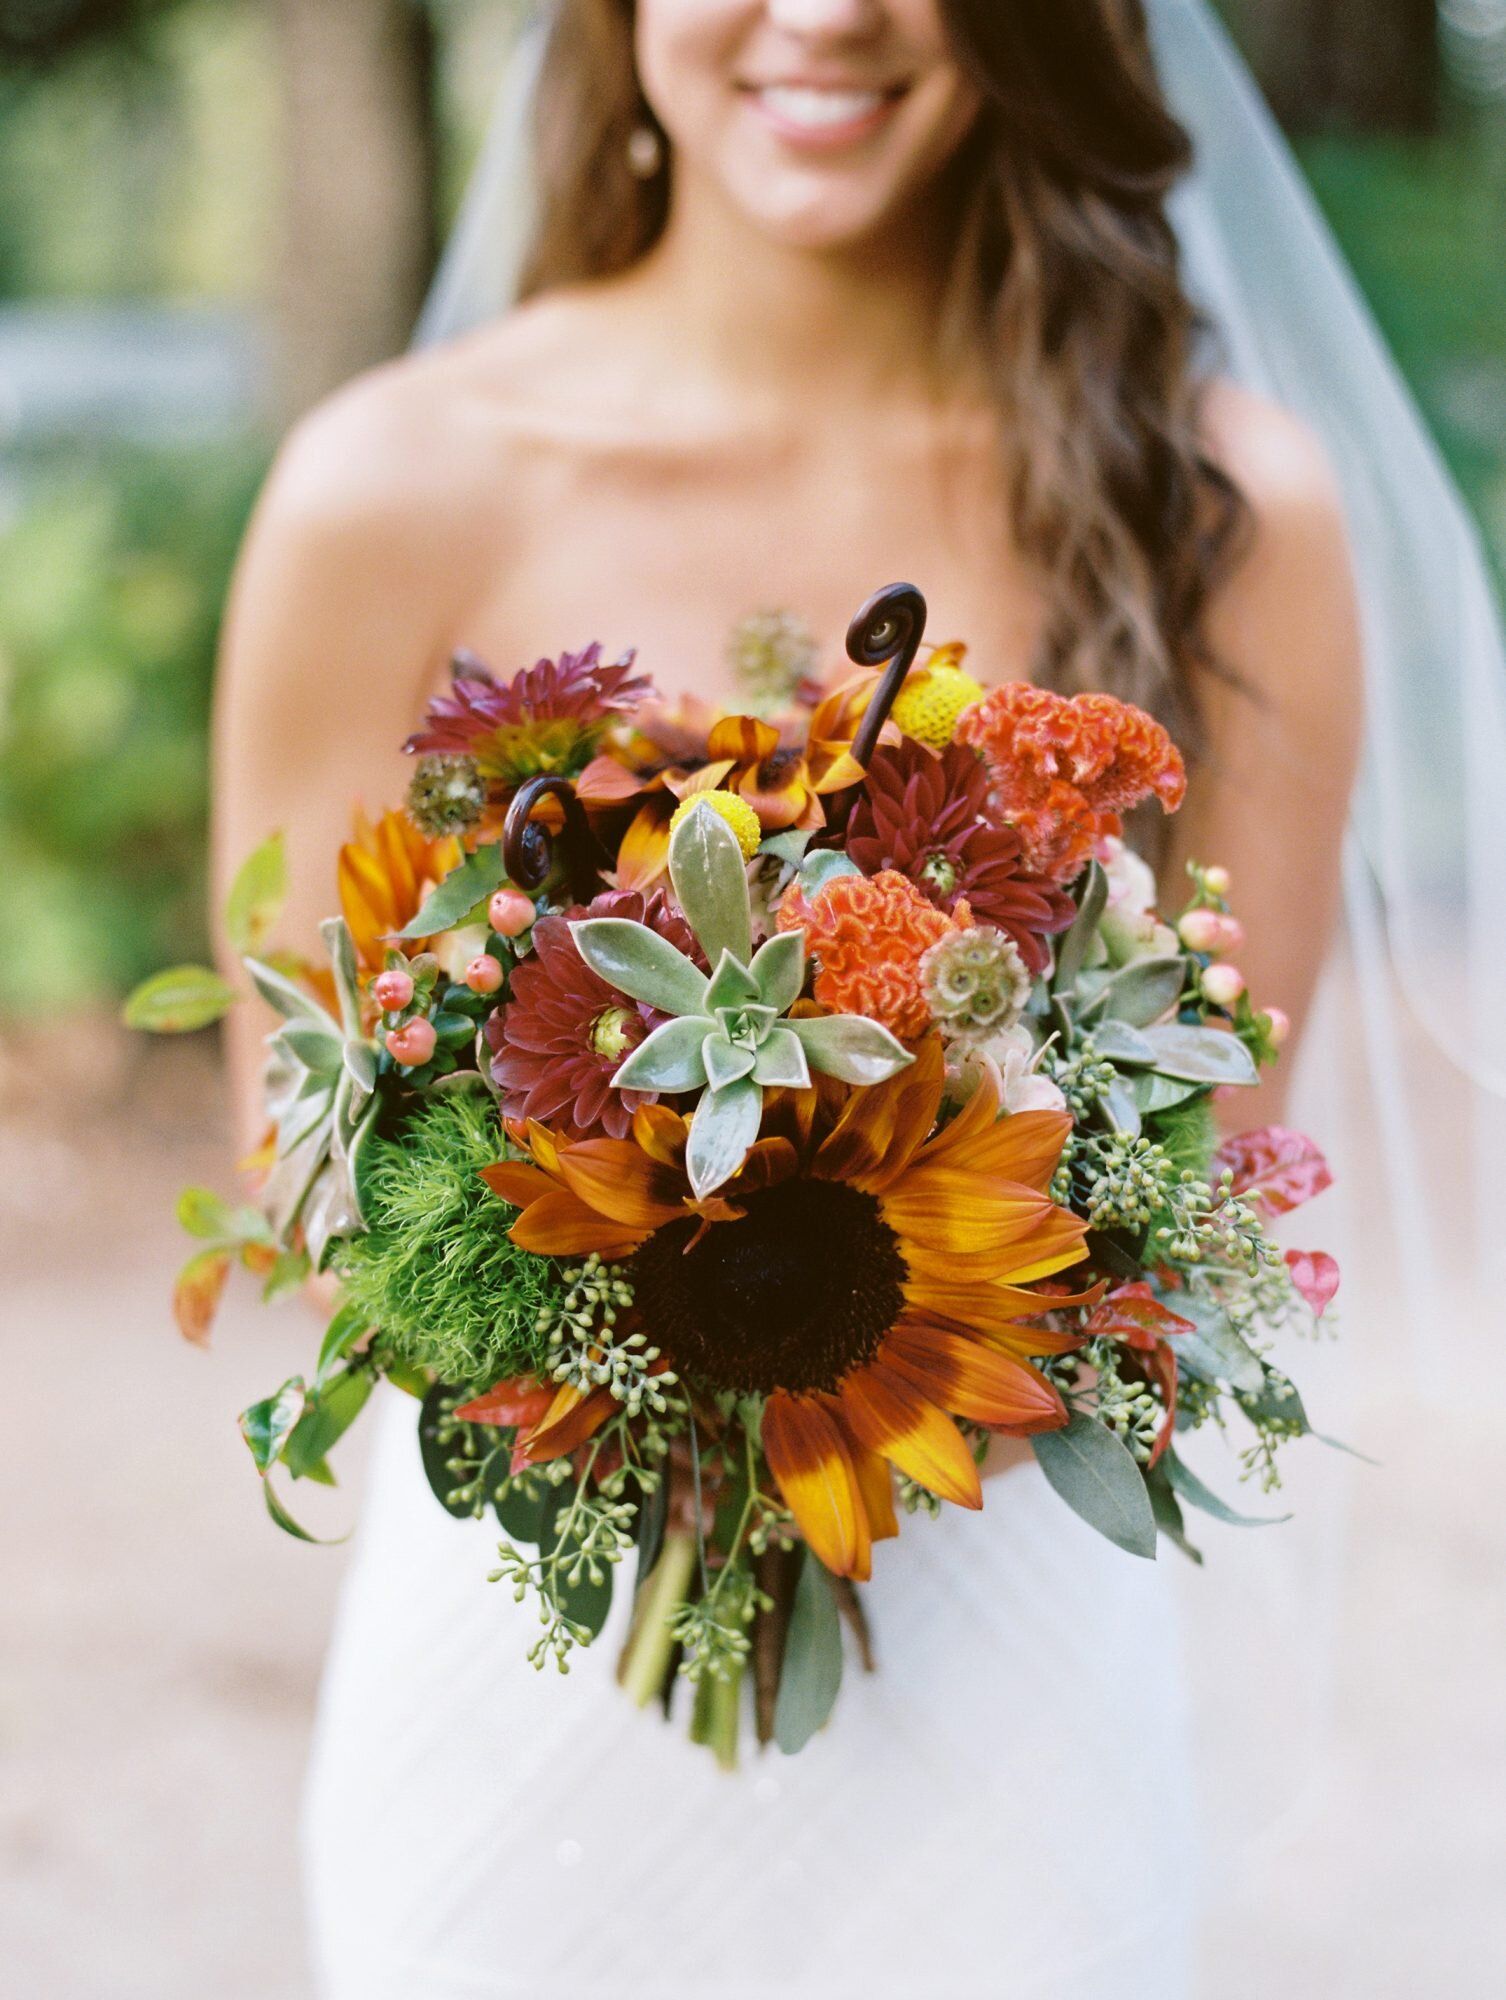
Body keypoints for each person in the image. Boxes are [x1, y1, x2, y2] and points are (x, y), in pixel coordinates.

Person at [215, 4, 1369, 1994]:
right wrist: (653, 1318)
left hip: (999, 1672)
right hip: (527, 1679)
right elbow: (301, 1160)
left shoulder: (1229, 510)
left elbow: (1214, 1158)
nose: (827, 13)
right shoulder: (388, 488)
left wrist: (869, 1330)